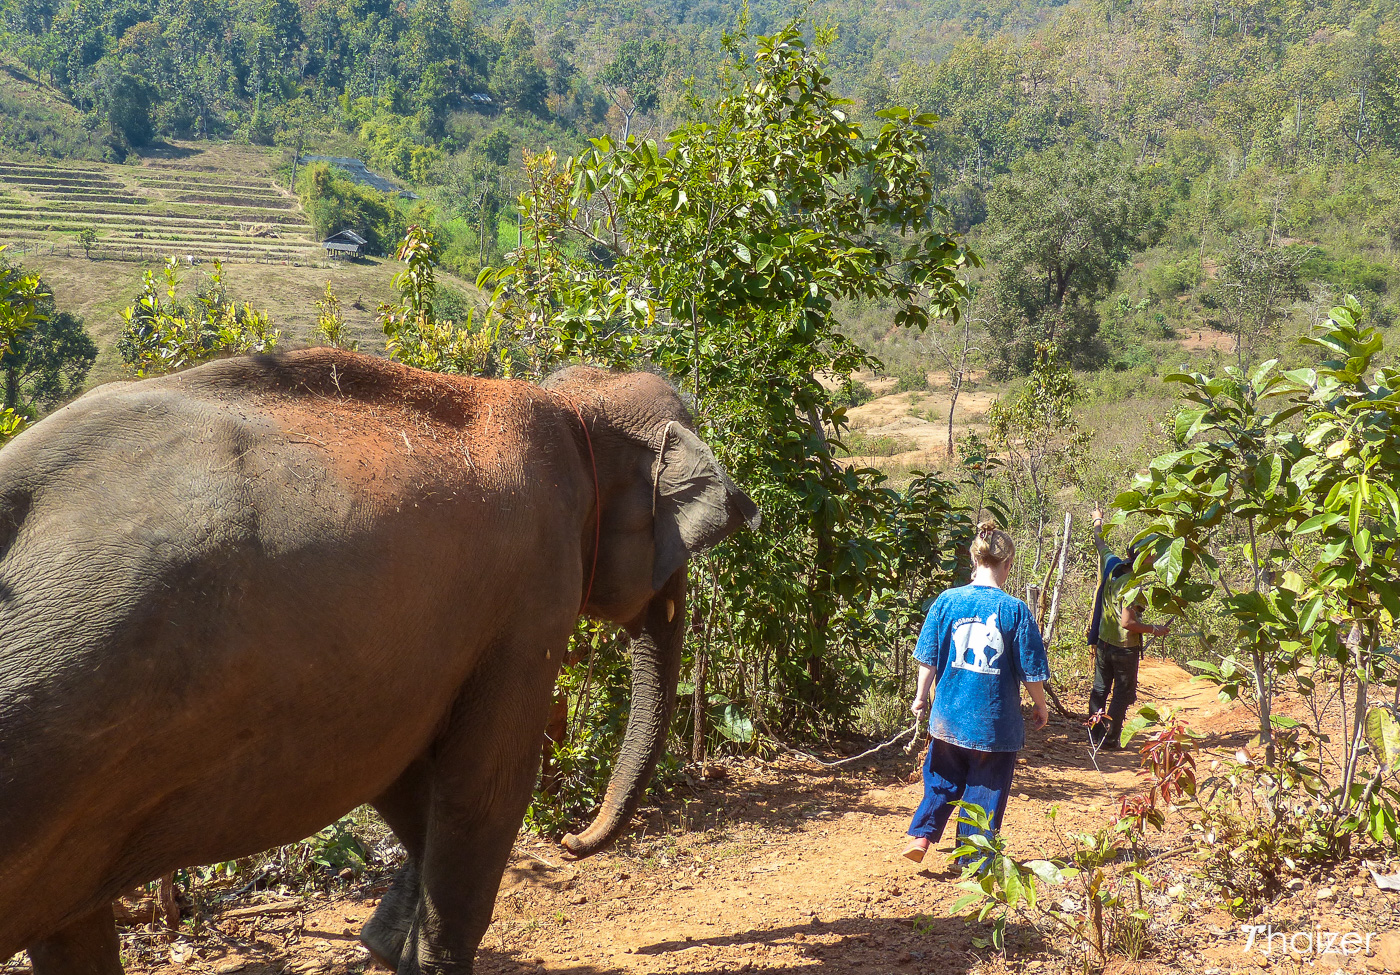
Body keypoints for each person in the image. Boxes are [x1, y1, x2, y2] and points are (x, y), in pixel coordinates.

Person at [902, 519, 1050, 865]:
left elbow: (928, 657)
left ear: (974, 559)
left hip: (948, 717)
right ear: (1008, 564)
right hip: (992, 725)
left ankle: (922, 838)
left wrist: (921, 696)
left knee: (940, 778)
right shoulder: (1014, 610)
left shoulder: (946, 601)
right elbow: (1030, 669)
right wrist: (1040, 704)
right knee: (985, 789)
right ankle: (971, 860)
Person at [1086, 508, 1170, 749]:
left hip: (1103, 642)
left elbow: (1100, 544)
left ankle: (1094, 733)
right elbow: (1127, 623)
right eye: (1152, 556)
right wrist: (1155, 629)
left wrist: (1097, 521)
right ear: (1142, 559)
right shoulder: (1133, 585)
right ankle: (1110, 737)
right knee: (1122, 693)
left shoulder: (1112, 565)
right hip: (1124, 648)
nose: (1155, 559)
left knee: (1100, 688)